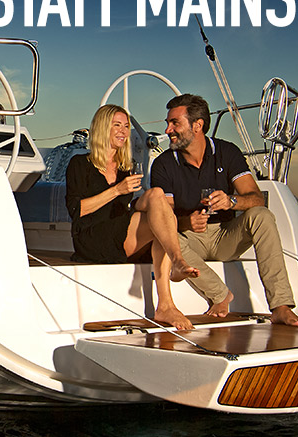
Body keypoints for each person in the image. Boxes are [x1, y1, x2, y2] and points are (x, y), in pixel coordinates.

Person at [150, 94, 298, 326]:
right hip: (189, 239)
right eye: (168, 123)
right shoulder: (163, 164)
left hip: (226, 236)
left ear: (197, 125)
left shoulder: (227, 152)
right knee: (165, 236)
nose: (168, 130)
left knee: (262, 216)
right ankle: (220, 295)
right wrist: (186, 222)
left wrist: (231, 201)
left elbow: (256, 199)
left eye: (175, 123)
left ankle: (281, 307)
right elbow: (165, 215)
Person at [65, 104, 201, 330]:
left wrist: (142, 201)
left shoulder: (125, 168)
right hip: (91, 236)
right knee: (160, 221)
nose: (123, 131)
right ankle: (168, 296)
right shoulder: (80, 164)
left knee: (157, 196)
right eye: (117, 125)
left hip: (120, 231)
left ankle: (170, 287)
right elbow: (76, 210)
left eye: (126, 126)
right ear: (102, 128)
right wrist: (117, 190)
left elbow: (124, 207)